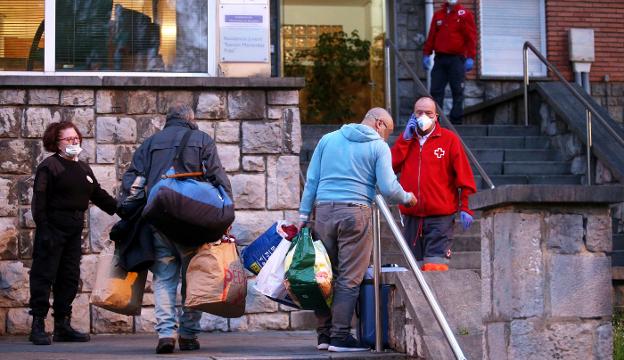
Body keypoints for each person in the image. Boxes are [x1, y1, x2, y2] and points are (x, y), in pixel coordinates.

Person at [299, 108, 417, 352]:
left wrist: (303, 215)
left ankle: (324, 336)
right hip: (355, 212)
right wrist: (408, 198)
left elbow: (312, 180)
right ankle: (340, 336)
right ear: (379, 124)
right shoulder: (378, 147)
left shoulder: (328, 139)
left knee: (322, 275)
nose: (386, 138)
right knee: (350, 277)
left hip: (322, 212)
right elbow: (388, 187)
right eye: (388, 132)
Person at [122, 104, 232, 354]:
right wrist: (227, 211)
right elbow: (217, 177)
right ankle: (189, 335)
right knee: (195, 278)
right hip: (193, 221)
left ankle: (165, 334)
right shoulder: (202, 139)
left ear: (167, 120)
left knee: (164, 278)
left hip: (160, 221)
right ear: (190, 119)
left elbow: (134, 184)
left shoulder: (150, 143)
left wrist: (128, 211)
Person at [29, 121, 118, 345]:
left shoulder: (83, 168)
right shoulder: (50, 166)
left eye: (76, 138)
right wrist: (45, 230)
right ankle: (37, 325)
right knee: (44, 275)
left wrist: (122, 209)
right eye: (68, 139)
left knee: (69, 277)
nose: (74, 142)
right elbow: (39, 202)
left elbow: (97, 194)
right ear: (56, 143)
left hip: (73, 229)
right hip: (52, 229)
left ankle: (62, 325)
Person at [391, 96, 477, 271]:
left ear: (436, 116)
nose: (423, 116)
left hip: (440, 217)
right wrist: (405, 140)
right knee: (414, 270)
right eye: (419, 112)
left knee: (435, 268)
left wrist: (466, 207)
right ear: (412, 115)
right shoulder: (406, 140)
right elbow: (390, 166)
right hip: (412, 217)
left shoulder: (449, 140)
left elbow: (465, 176)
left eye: (428, 113)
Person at [423, 0, 477, 124]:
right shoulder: (438, 15)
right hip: (440, 59)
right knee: (436, 91)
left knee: (457, 90)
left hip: (456, 59)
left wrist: (471, 57)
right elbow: (432, 36)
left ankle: (456, 122)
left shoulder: (465, 14)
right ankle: (435, 122)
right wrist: (426, 54)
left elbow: (471, 38)